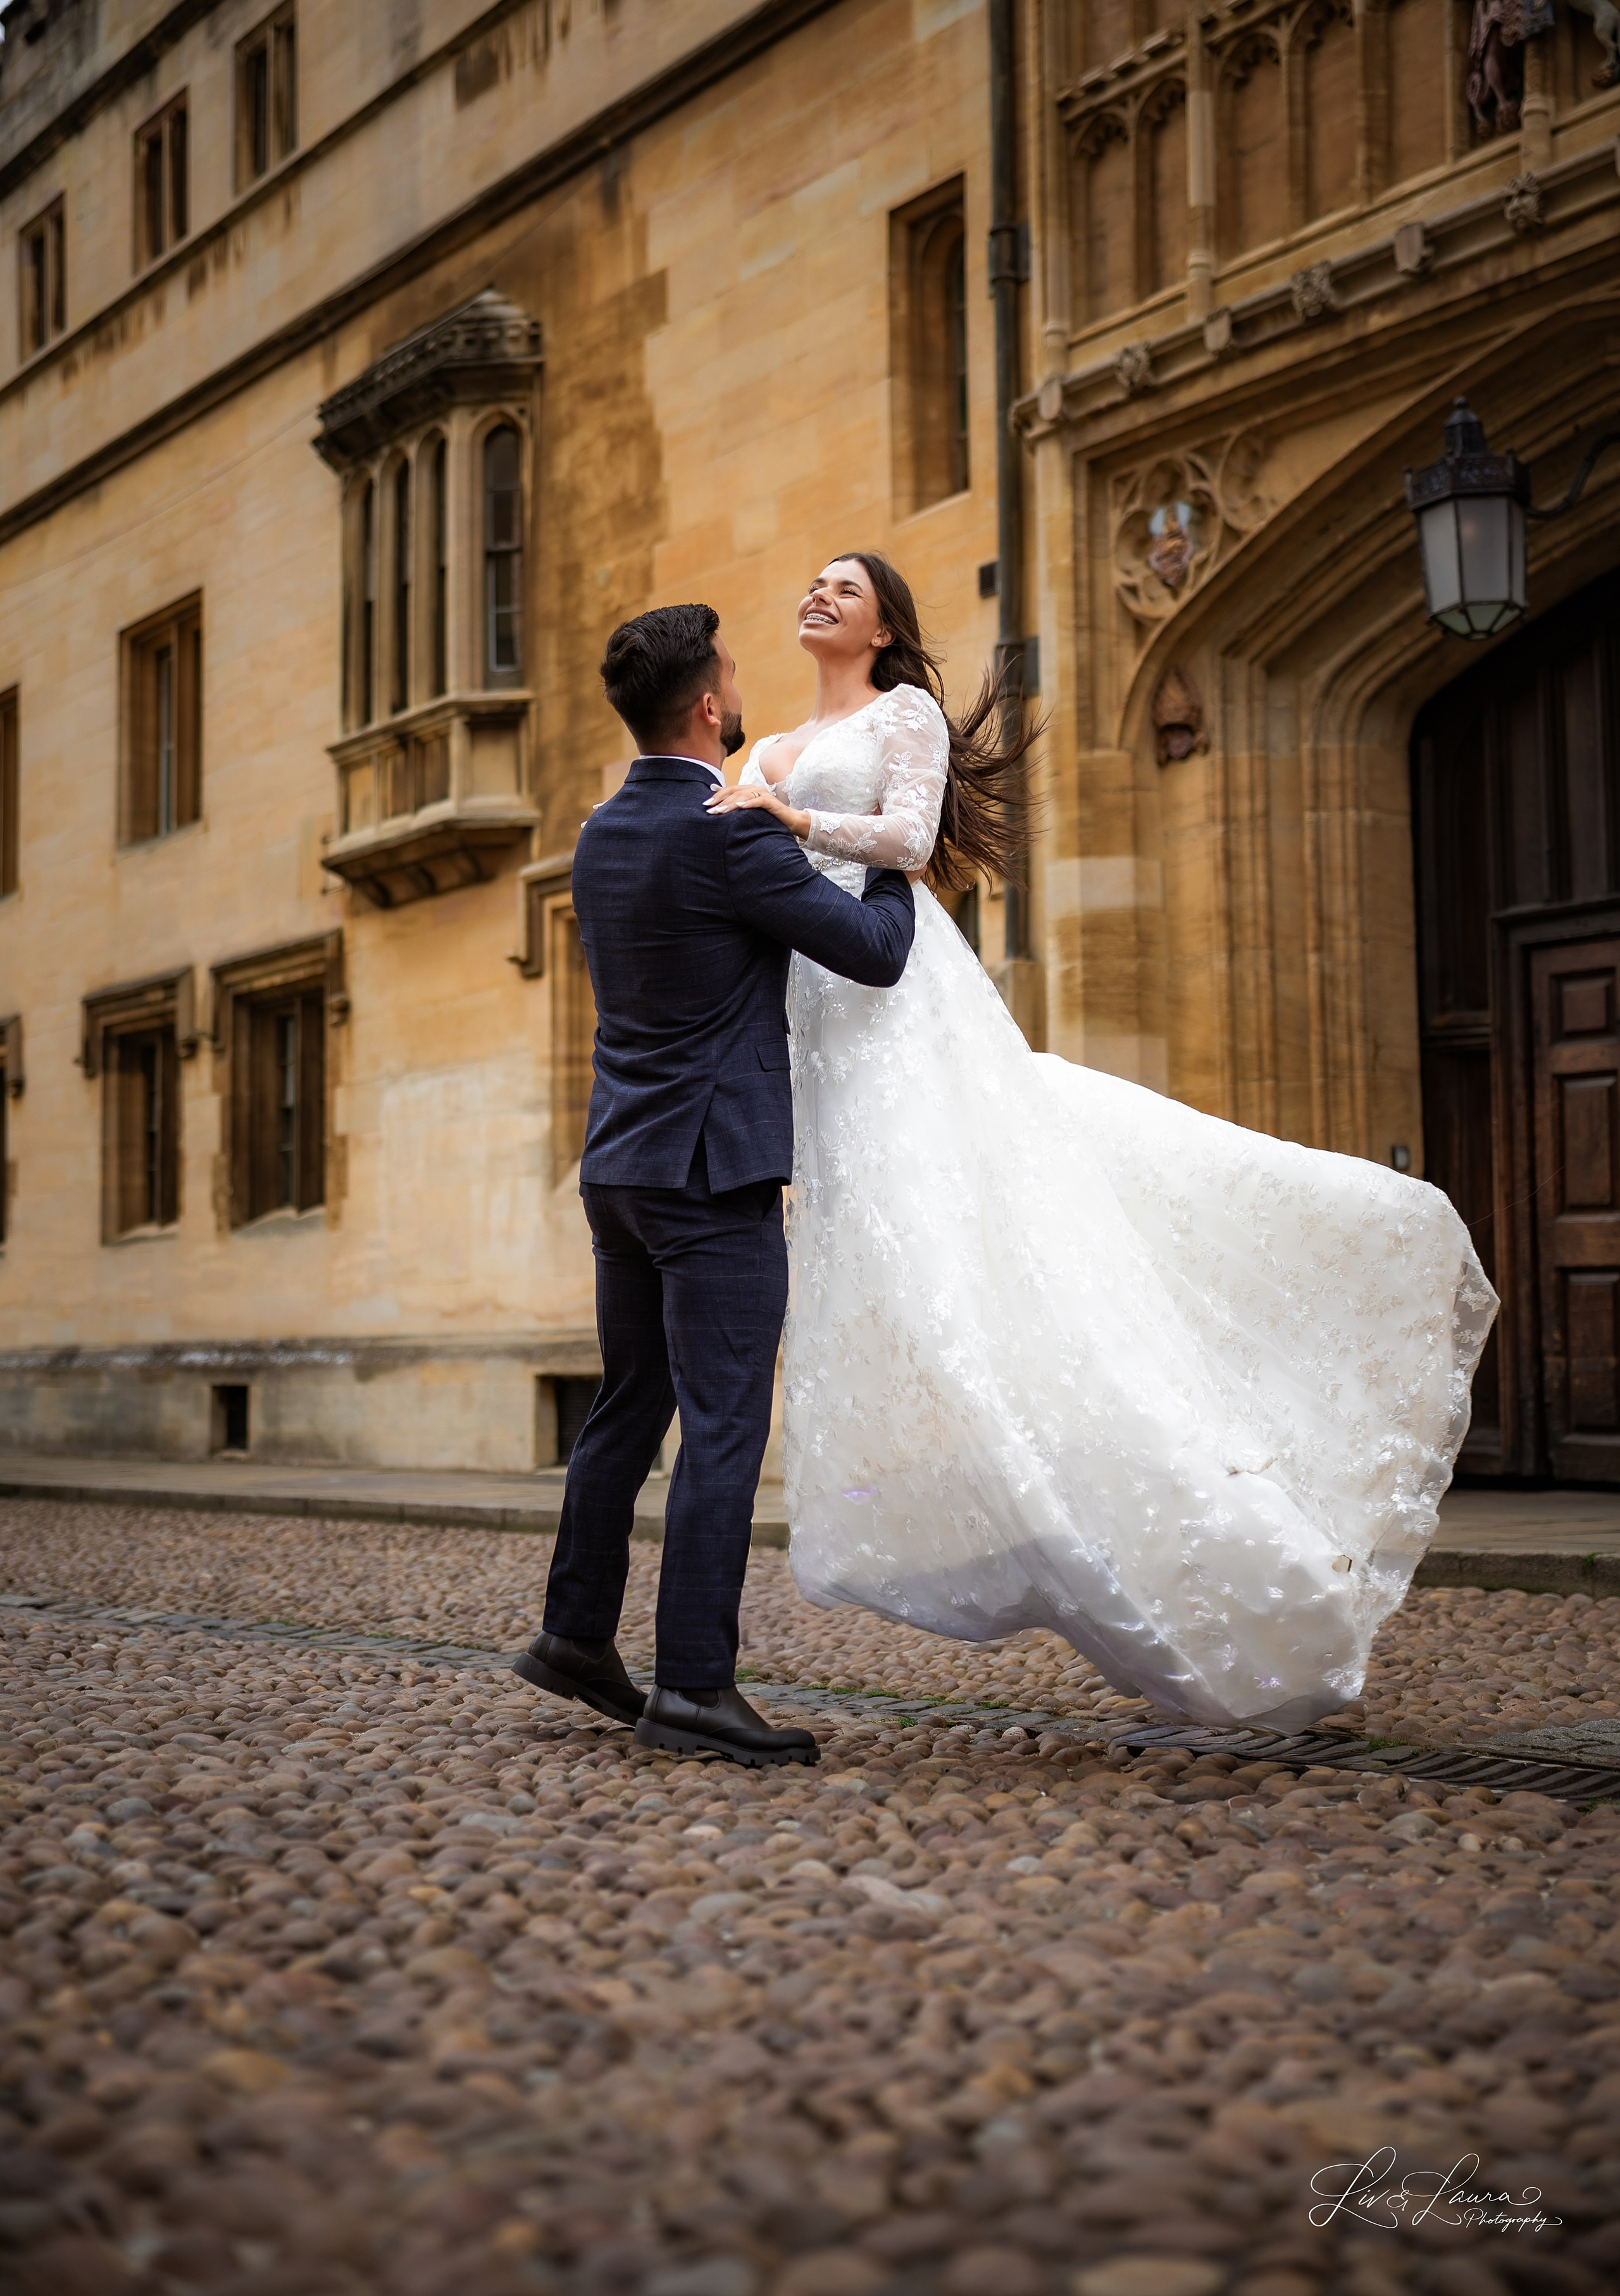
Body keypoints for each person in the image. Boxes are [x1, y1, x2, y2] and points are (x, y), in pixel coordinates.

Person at [704, 552, 1497, 1730]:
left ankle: (1240, 1560)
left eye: (846, 588)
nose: (817, 594)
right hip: (818, 1041)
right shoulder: (755, 750)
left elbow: (913, 840)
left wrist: (794, 817)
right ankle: (1066, 1532)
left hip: (906, 1013)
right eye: (810, 582)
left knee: (1016, 1280)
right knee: (928, 1303)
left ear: (883, 629)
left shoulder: (901, 712)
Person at [513, 602, 915, 1766]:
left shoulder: (599, 831)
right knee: (725, 1425)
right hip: (710, 1173)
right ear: (706, 705)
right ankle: (692, 1685)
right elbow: (876, 952)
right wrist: (890, 848)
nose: (740, 690)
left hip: (620, 1169)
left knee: (628, 1406)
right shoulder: (729, 830)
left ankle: (575, 1633)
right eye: (731, 675)